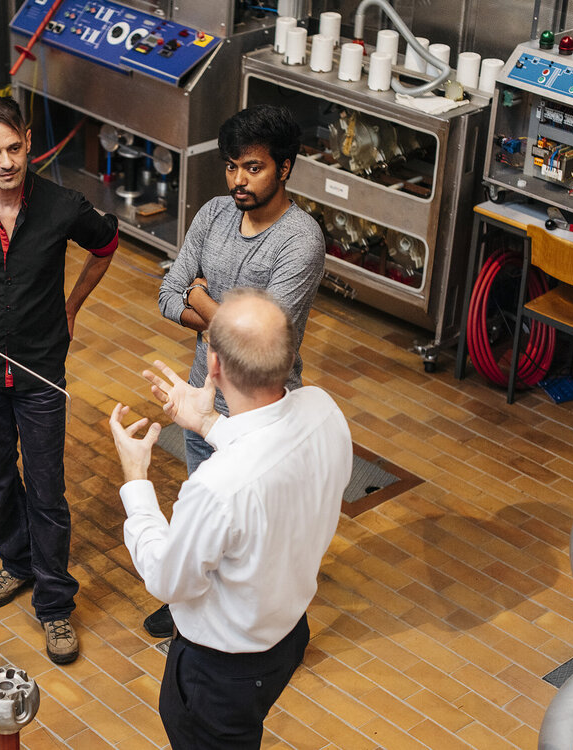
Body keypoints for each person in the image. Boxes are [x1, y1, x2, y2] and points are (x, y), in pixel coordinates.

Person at [109, 289, 352, 749]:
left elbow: (166, 579)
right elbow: (269, 463)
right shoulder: (324, 409)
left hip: (220, 675)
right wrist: (207, 424)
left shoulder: (216, 487)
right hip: (286, 638)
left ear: (213, 366)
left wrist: (136, 479)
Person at [0, 96, 119, 665]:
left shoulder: (62, 205)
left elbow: (105, 246)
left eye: (14, 148)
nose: (6, 161)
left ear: (29, 142)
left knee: (47, 487)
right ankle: (15, 564)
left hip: (40, 371)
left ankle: (55, 603)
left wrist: (72, 306)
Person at [146, 103, 326, 638]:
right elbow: (166, 295)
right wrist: (215, 315)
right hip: (205, 403)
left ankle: (271, 624)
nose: (238, 181)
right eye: (232, 167)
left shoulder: (301, 240)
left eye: (253, 167)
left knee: (260, 526)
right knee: (205, 511)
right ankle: (192, 605)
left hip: (264, 414)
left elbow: (259, 343)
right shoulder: (212, 215)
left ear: (285, 167)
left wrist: (201, 297)